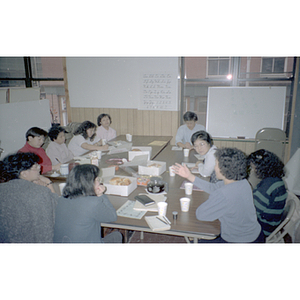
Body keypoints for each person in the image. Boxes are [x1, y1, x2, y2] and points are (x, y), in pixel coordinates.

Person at [172, 147, 264, 243]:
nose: (214, 167)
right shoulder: (242, 182)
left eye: (215, 164)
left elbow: (201, 214)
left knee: (193, 242)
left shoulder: (224, 194)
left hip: (238, 241)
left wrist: (213, 199)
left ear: (223, 169)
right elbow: (213, 188)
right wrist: (189, 176)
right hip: (255, 235)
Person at [53, 164, 122, 243]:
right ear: (89, 183)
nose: (99, 182)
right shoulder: (93, 203)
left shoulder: (62, 199)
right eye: (97, 180)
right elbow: (112, 217)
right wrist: (101, 195)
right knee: (117, 236)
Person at [0, 152, 59, 243]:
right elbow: (58, 210)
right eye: (35, 167)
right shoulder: (40, 192)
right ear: (24, 174)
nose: (39, 168)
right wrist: (48, 183)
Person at [247, 149, 288, 238]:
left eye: (254, 167)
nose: (253, 170)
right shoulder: (275, 180)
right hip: (268, 224)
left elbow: (252, 212)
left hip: (262, 229)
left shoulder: (268, 185)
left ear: (262, 167)